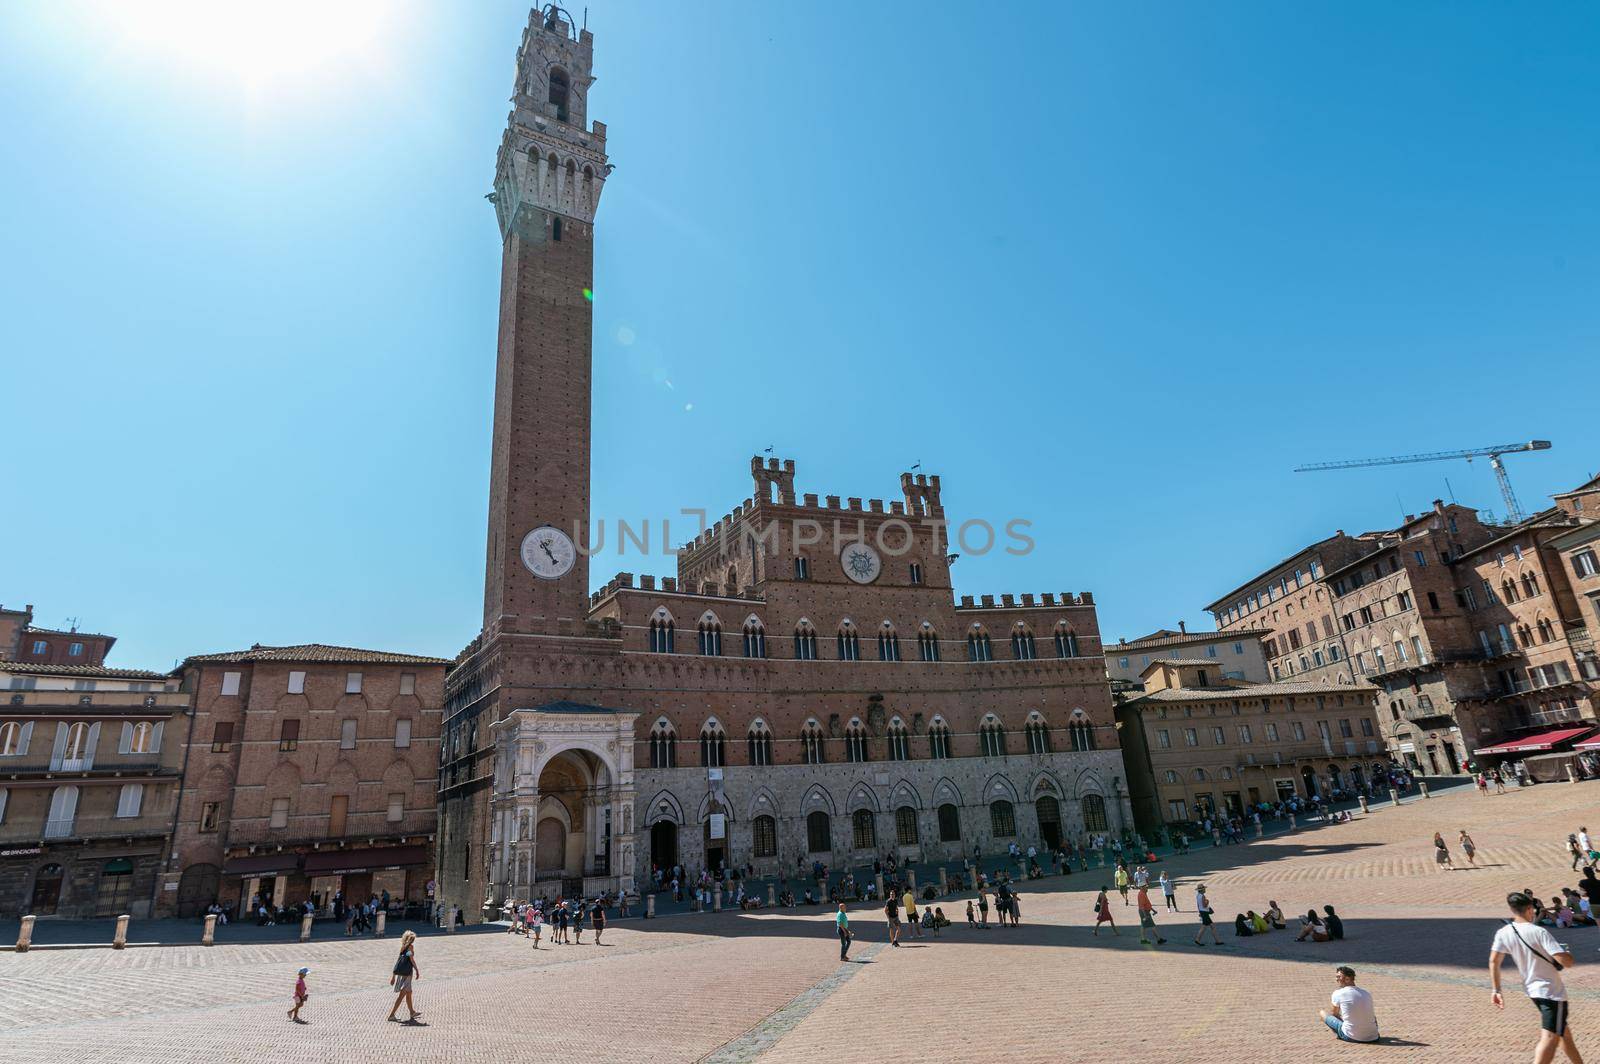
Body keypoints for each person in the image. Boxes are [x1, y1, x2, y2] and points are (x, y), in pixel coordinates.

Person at [1492, 891, 1582, 1064]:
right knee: (1550, 1037)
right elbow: (1565, 961)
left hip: (1532, 990)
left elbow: (1493, 961)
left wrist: (1496, 990)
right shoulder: (1539, 932)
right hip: (1551, 992)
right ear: (1529, 909)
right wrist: (1568, 955)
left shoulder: (1504, 932)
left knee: (1563, 1033)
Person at [1319, 966, 1380, 1044]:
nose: (1336, 979)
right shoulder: (1366, 993)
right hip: (1374, 1037)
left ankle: (1340, 1033)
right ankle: (1366, 1031)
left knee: (1322, 1013)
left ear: (1347, 979)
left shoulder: (1338, 993)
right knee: (1370, 1016)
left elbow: (1334, 1014)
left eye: (1339, 977)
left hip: (1351, 1036)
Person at [387, 930, 421, 1023]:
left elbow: (398, 962)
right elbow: (412, 960)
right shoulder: (410, 947)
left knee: (409, 993)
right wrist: (417, 970)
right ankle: (391, 1014)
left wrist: (393, 976)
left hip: (401, 973)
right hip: (407, 974)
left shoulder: (403, 948)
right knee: (402, 995)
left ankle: (412, 1012)